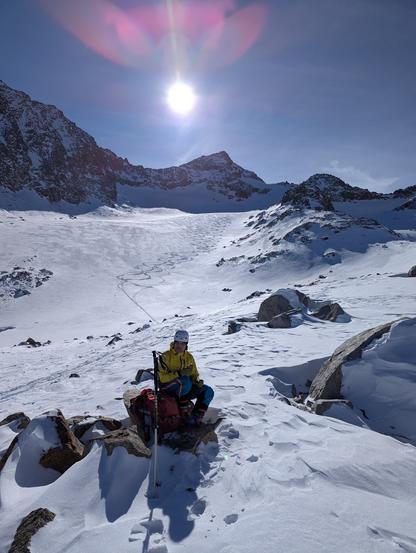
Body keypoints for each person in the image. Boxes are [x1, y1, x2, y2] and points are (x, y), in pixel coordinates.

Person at [158, 329, 214, 425]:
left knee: (208, 391)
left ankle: (196, 416)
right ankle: (184, 414)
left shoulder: (189, 357)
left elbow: (194, 374)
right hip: (167, 388)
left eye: (182, 344)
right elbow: (162, 378)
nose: (179, 346)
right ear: (174, 343)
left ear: (186, 344)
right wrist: (179, 374)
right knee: (185, 380)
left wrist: (197, 381)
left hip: (184, 388)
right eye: (177, 343)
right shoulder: (165, 356)